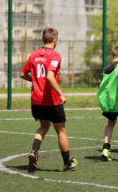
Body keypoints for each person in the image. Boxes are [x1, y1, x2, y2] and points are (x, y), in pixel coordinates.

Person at [20, 28, 77, 171]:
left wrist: (35, 81)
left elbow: (22, 74)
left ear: (43, 39)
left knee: (44, 126)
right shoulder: (55, 55)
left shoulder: (34, 54)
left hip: (36, 100)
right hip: (51, 100)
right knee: (61, 131)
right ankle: (66, 163)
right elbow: (50, 76)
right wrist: (61, 94)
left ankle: (34, 152)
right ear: (55, 40)